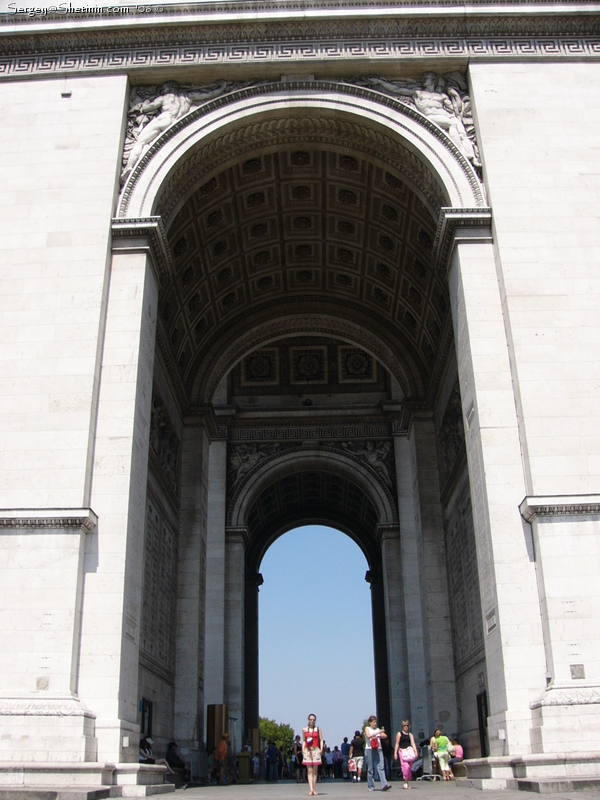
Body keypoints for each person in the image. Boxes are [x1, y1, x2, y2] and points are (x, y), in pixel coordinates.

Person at [364, 715, 392, 792]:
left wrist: (379, 734)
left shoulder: (378, 729)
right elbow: (368, 735)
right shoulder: (367, 729)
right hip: (369, 749)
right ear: (370, 722)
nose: (375, 724)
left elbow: (385, 736)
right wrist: (377, 733)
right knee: (370, 768)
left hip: (378, 749)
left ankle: (384, 784)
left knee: (381, 766)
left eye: (376, 722)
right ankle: (371, 786)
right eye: (373, 722)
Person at [302, 713, 323, 797]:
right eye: (310, 719)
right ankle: (310, 789)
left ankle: (314, 788)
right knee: (309, 770)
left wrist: (321, 749)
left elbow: (321, 739)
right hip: (308, 750)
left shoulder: (318, 729)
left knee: (315, 770)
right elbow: (304, 740)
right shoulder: (304, 729)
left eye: (313, 720)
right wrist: (303, 749)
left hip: (315, 750)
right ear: (308, 720)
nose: (312, 721)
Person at [394, 721, 417, 789]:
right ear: (402, 726)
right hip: (402, 751)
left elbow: (413, 743)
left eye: (407, 725)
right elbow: (397, 743)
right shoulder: (399, 734)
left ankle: (407, 781)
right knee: (405, 767)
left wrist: (415, 751)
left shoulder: (410, 735)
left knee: (409, 767)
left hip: (409, 752)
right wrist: (395, 753)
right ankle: (405, 781)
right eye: (404, 725)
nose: (406, 726)